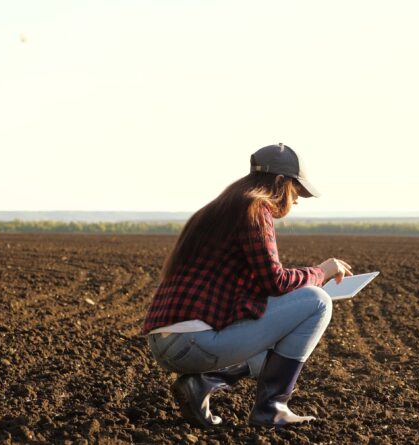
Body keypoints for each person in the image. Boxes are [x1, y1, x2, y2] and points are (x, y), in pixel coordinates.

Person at [143, 143, 353, 428]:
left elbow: (251, 294)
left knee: (279, 323)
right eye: (296, 191)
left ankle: (207, 382)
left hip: (165, 341)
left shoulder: (217, 209)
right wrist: (322, 271)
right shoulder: (255, 209)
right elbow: (275, 281)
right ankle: (272, 408)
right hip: (192, 342)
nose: (297, 201)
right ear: (280, 183)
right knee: (317, 302)